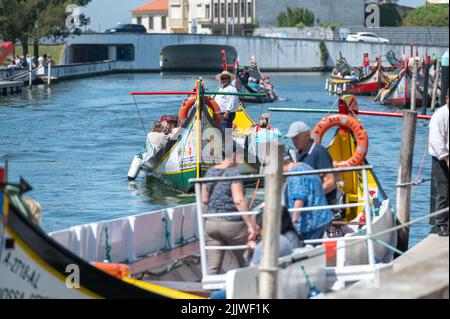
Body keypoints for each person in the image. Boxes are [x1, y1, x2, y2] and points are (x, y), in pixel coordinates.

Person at [202, 144, 257, 275]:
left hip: (211, 224)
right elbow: (239, 200)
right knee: (245, 261)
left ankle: (210, 292)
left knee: (213, 267)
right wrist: (250, 225)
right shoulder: (233, 173)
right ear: (232, 155)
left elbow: (204, 199)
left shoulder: (210, 172)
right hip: (232, 224)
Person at [285, 121, 337, 204]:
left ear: (306, 135)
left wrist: (308, 197)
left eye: (296, 137)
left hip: (320, 203)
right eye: (292, 138)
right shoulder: (299, 153)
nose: (294, 141)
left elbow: (330, 183)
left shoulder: (319, 152)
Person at [284, 158, 334, 240]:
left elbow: (299, 199)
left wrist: (293, 222)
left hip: (310, 224)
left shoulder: (294, 173)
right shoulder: (304, 166)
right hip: (321, 218)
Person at [429, 89, 449, 237]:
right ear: (447, 98)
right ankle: (441, 224)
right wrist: (446, 158)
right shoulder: (439, 116)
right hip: (441, 159)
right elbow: (436, 140)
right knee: (444, 192)